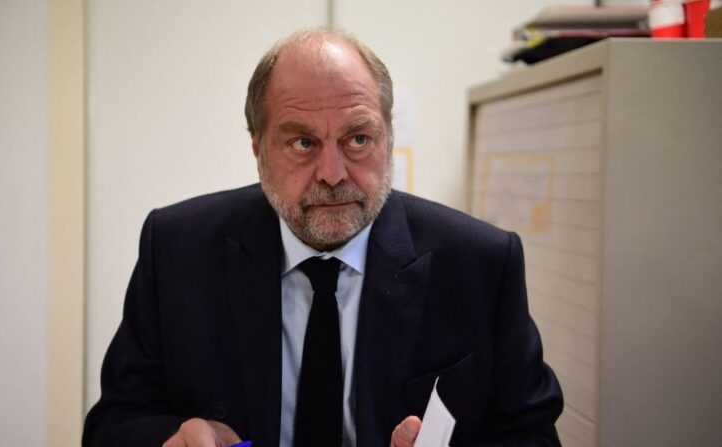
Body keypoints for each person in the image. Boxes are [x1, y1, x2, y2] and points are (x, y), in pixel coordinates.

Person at [82, 29, 563, 447]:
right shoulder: (176, 250)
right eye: (302, 143)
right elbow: (111, 426)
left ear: (388, 137)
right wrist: (173, 439)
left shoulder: (480, 262)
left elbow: (534, 433)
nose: (333, 174)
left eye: (358, 139)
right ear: (258, 149)